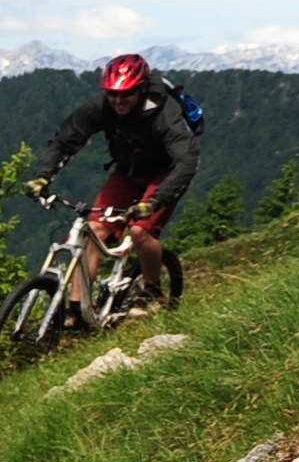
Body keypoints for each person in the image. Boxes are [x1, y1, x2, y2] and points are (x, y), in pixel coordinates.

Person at [32, 52, 201, 300]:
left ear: (141, 89)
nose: (118, 100)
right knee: (93, 230)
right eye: (113, 94)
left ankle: (152, 294)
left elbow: (186, 162)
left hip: (165, 173)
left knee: (140, 232)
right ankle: (78, 309)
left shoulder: (165, 112)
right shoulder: (102, 106)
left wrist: (154, 202)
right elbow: (63, 141)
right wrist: (43, 177)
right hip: (128, 171)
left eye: (127, 94)